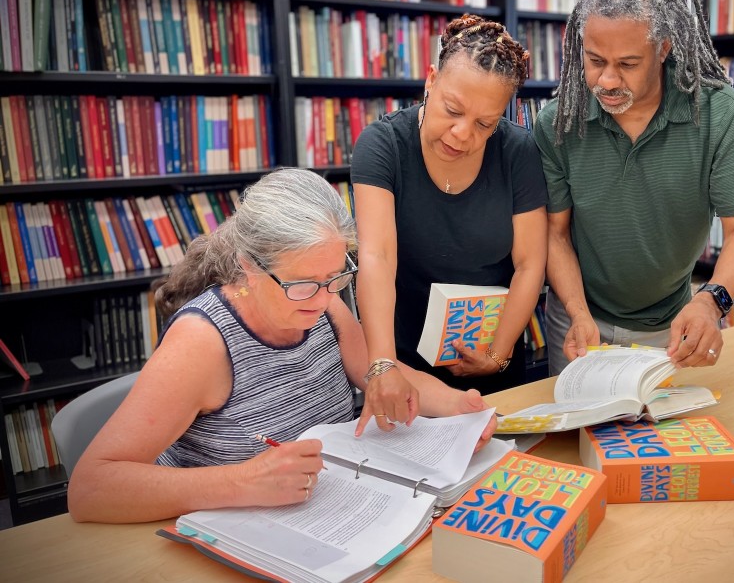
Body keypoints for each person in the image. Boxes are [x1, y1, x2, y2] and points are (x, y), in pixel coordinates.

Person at [67, 168, 496, 524]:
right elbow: (90, 490)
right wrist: (243, 481)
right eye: (304, 285)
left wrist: (458, 410)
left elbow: (383, 372)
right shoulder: (202, 342)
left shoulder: (321, 300)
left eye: (335, 279)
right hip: (232, 535)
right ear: (249, 267)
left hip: (333, 512)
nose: (326, 299)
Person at [533, 0, 734, 375]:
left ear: (663, 48)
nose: (606, 81)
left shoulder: (718, 112)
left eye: (626, 64)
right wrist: (576, 311)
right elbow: (555, 234)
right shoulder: (558, 122)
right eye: (594, 60)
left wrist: (711, 302)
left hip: (672, 326)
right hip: (576, 321)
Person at [351, 14, 547, 401]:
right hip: (404, 366)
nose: (463, 134)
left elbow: (530, 264)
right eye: (453, 110)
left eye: (484, 124)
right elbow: (377, 256)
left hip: (497, 361)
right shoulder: (382, 146)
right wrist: (382, 364)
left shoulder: (518, 152)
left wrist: (498, 354)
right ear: (431, 80)